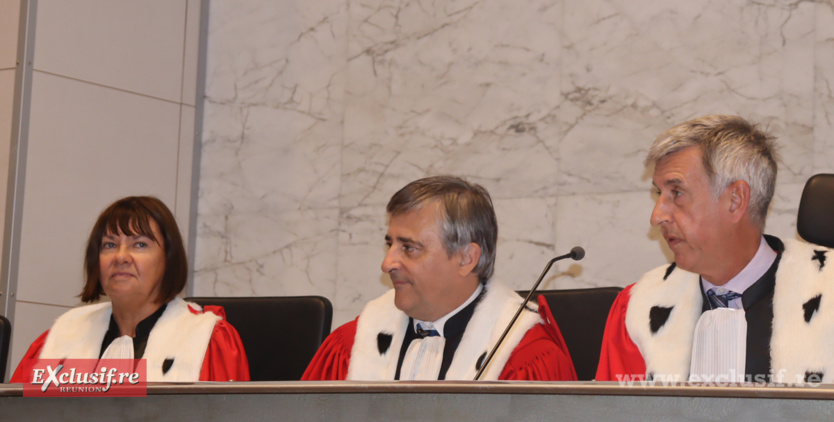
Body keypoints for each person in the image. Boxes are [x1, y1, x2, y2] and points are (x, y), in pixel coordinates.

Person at [596, 115, 834, 384]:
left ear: (735, 200)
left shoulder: (828, 296)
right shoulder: (639, 309)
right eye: (658, 194)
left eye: (676, 192)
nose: (657, 215)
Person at [303, 176, 576, 381]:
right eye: (390, 245)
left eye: (409, 248)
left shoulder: (524, 357)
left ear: (466, 258)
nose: (387, 264)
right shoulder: (352, 346)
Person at [11, 196, 249, 382]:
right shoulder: (60, 339)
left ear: (168, 259)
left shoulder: (208, 340)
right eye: (110, 245)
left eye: (140, 244)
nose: (121, 256)